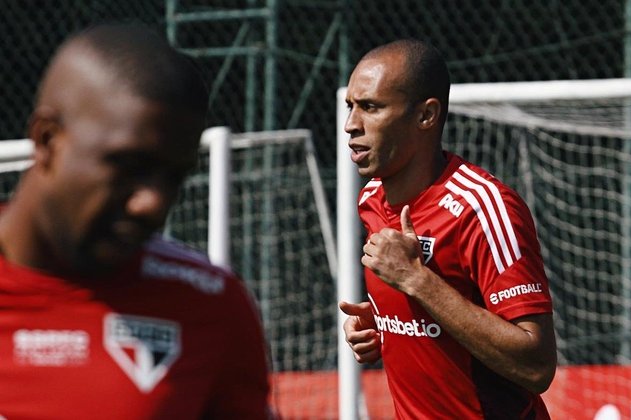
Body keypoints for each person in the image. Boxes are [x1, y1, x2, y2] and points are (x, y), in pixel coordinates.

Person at [0, 24, 272, 419]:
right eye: (128, 165)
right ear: (47, 140)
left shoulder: (209, 304)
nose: (153, 203)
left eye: (174, 177)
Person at [339, 39, 557, 419]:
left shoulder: (484, 208)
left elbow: (536, 366)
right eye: (351, 106)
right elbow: (441, 317)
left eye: (371, 107)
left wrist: (416, 280)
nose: (351, 125)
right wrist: (386, 326)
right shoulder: (371, 199)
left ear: (426, 115)